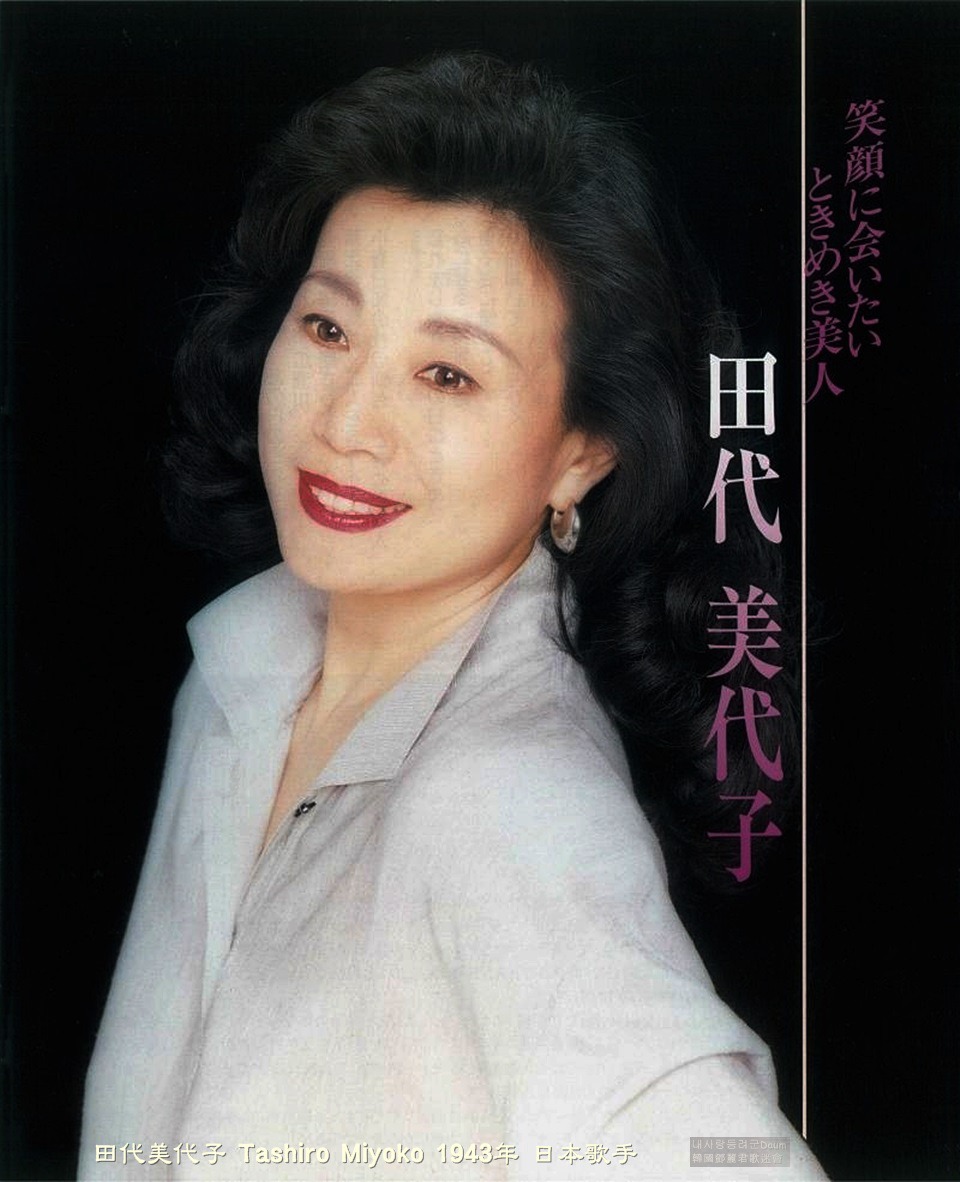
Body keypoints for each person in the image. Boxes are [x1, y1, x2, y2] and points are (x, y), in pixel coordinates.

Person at [80, 53, 826, 1180]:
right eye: (328, 330)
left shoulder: (507, 802)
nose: (346, 425)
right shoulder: (239, 673)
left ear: (581, 455)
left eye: (447, 376)